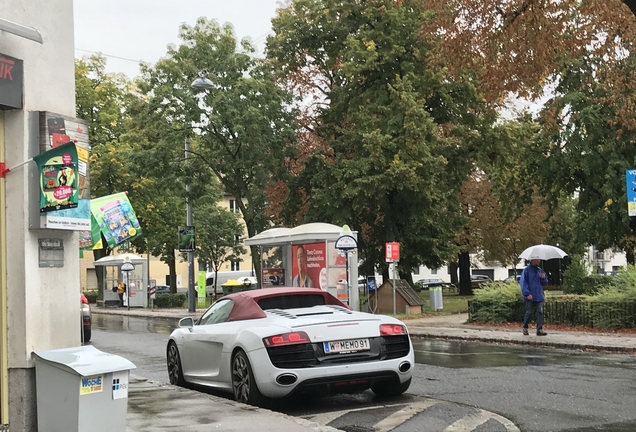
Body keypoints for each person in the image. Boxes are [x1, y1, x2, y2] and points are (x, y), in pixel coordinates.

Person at [520, 256, 549, 336]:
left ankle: (539, 329)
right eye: (537, 259)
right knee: (529, 312)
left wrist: (543, 278)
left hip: (539, 295)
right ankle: (525, 327)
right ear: (532, 260)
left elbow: (545, 282)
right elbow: (523, 283)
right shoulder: (526, 270)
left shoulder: (540, 271)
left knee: (540, 312)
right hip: (530, 295)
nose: (539, 260)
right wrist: (527, 293)